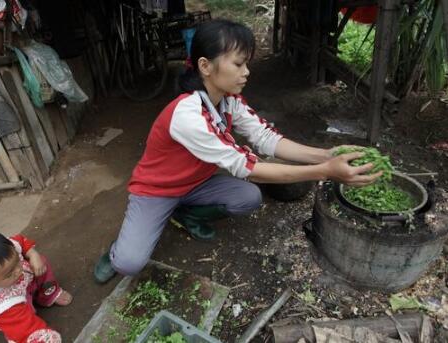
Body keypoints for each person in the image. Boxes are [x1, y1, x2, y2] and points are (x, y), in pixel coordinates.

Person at [94, 19, 381, 284]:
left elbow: (266, 138)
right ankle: (116, 251)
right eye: (239, 64)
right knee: (130, 263)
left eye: (247, 64)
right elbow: (247, 166)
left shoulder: (229, 100)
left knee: (248, 197)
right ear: (206, 66)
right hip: (157, 190)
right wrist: (326, 172)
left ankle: (186, 214)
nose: (247, 72)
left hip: (197, 184)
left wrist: (327, 154)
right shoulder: (187, 115)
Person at [0, 229, 73, 343]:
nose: (18, 270)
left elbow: (20, 241)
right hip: (12, 304)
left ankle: (48, 294)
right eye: (9, 273)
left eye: (17, 261)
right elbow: (27, 332)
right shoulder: (1, 306)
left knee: (40, 262)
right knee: (22, 323)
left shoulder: (5, 249)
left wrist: (33, 255)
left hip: (23, 283)